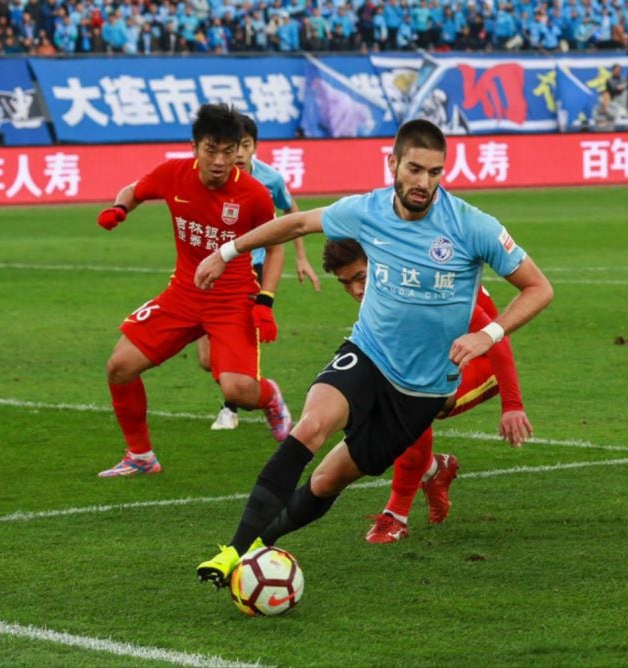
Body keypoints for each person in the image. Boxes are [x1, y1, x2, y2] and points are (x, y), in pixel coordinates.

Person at [193, 119, 553, 587]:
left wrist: (490, 334)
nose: (424, 182)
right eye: (415, 169)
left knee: (326, 482)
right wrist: (226, 252)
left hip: (421, 391)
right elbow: (299, 222)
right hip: (368, 354)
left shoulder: (472, 226)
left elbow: (538, 287)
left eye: (435, 172)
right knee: (311, 426)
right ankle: (234, 551)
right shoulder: (367, 211)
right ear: (394, 164)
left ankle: (262, 546)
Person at [95, 103, 293, 478]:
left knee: (237, 390)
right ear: (194, 147)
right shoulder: (172, 174)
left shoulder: (253, 194)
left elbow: (277, 244)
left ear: (239, 151)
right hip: (183, 294)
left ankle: (270, 397)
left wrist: (265, 302)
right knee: (119, 366)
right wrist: (120, 209)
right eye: (210, 149)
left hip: (233, 299)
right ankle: (140, 456)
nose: (219, 160)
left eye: (228, 151)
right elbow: (133, 190)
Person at [321, 238, 532, 544]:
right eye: (346, 283)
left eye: (361, 278)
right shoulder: (390, 283)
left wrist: (512, 405)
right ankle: (433, 468)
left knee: (412, 395)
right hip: (441, 360)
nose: (355, 290)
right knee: (387, 392)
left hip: (484, 363)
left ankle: (396, 516)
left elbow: (496, 339)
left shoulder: (422, 283)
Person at [200, 111, 322, 432]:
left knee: (239, 346)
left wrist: (300, 256)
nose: (238, 153)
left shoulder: (269, 179)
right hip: (213, 266)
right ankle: (243, 392)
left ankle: (232, 407)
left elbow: (291, 211)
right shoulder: (216, 176)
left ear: (255, 147)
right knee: (205, 358)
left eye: (245, 145)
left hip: (251, 269)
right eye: (233, 146)